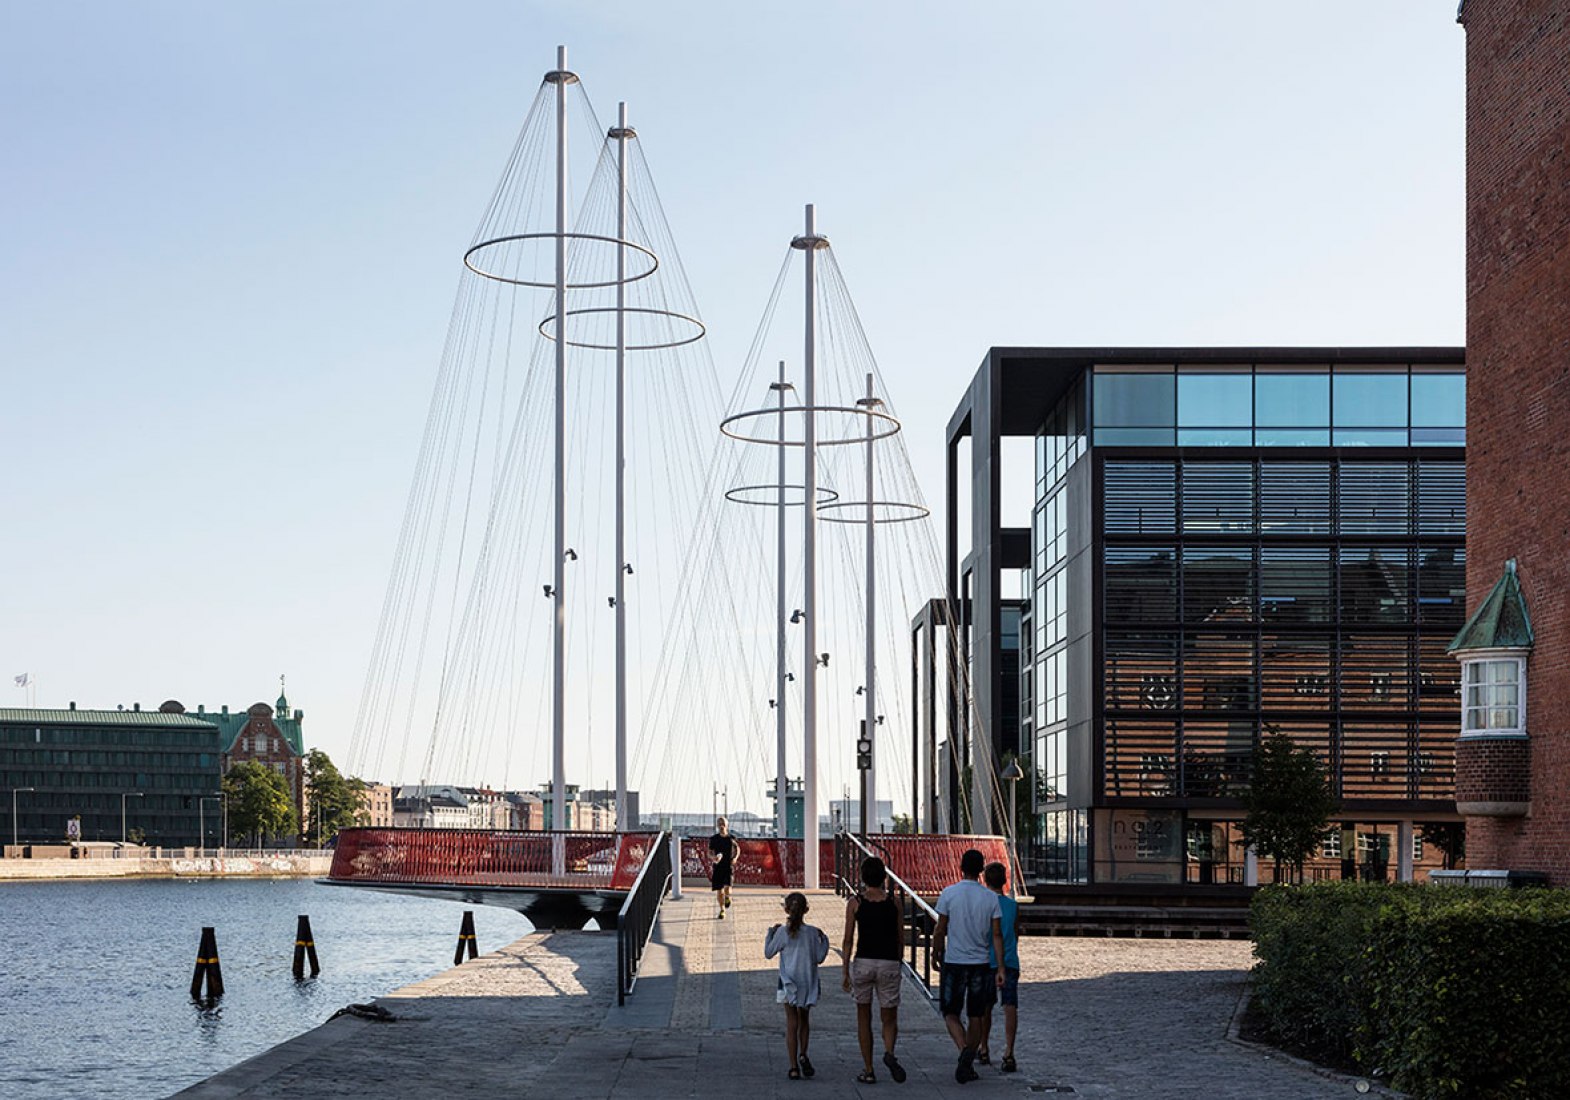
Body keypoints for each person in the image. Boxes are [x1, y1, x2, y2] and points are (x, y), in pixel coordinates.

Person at [932, 848, 1004, 1084]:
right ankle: (968, 1056)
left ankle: (964, 1051)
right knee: (976, 1015)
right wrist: (1001, 967)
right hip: (981, 962)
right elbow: (996, 935)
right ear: (981, 870)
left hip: (954, 961)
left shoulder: (949, 894)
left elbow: (940, 927)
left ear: (961, 868)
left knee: (950, 1012)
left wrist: (936, 950)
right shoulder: (991, 898)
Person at [840, 856, 908, 1084]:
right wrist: (899, 960)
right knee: (889, 1016)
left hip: (864, 963)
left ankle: (868, 1069)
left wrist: (845, 970)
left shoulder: (855, 903)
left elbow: (848, 939)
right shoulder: (894, 902)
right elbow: (900, 938)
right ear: (884, 878)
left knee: (863, 1017)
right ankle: (889, 1052)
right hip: (888, 962)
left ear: (862, 877)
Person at [766, 891, 830, 1080]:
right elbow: (819, 958)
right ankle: (804, 1053)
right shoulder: (812, 933)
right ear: (806, 910)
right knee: (804, 1021)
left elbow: (768, 952)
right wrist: (824, 940)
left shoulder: (782, 932)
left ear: (786, 909)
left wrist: (770, 933)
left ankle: (793, 1066)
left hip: (788, 982)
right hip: (808, 982)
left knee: (791, 1023)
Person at [976, 861, 1020, 1074]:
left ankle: (984, 1047)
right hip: (1010, 960)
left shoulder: (983, 904)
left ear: (985, 880)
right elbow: (1015, 931)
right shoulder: (1012, 905)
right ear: (1004, 881)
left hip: (987, 960)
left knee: (986, 1006)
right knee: (1010, 1005)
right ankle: (1009, 1051)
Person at [708, 816, 738, 919]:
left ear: (727, 825)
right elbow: (709, 852)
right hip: (718, 867)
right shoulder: (714, 839)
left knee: (727, 889)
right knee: (719, 890)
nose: (721, 825)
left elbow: (737, 849)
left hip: (728, 866)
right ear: (717, 825)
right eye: (719, 823)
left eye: (723, 823)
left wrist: (735, 858)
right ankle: (722, 910)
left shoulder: (731, 838)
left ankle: (728, 898)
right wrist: (713, 858)